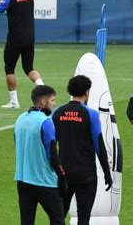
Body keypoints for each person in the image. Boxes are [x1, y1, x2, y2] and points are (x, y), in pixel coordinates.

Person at [52, 75, 112, 224]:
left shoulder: (57, 113)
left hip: (63, 173)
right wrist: (107, 173)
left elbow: (51, 145)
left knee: (59, 216)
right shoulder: (91, 114)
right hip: (86, 174)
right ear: (87, 92)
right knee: (84, 218)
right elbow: (99, 146)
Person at [14, 85, 68, 225]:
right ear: (44, 102)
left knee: (26, 222)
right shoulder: (46, 122)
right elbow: (52, 154)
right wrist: (62, 177)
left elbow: (17, 144)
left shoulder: (20, 119)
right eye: (53, 100)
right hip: (44, 181)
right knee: (58, 221)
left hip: (23, 180)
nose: (54, 103)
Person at [0, 0, 44, 109]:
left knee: (9, 68)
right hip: (30, 37)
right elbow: (18, 12)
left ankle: (14, 102)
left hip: (15, 38)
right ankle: (42, 88)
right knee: (29, 68)